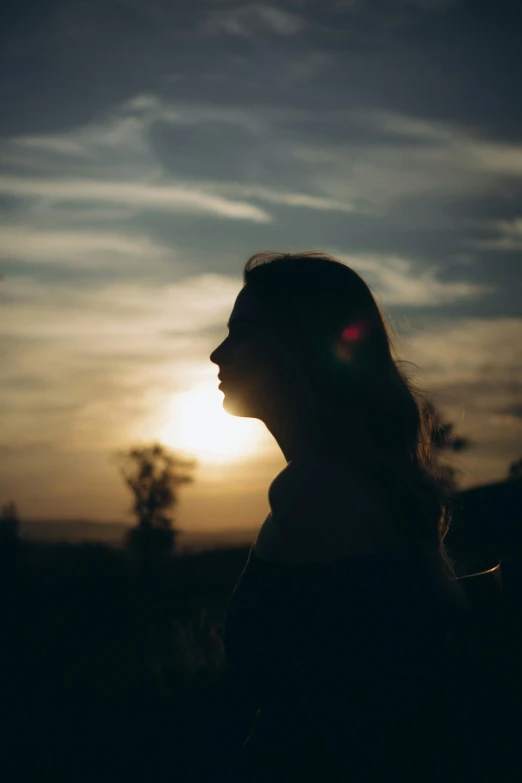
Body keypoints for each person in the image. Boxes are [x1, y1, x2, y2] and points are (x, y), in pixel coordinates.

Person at [209, 251, 468, 782]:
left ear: (295, 348)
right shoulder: (345, 482)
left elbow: (325, 722)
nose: (218, 354)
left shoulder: (322, 493)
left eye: (241, 333)